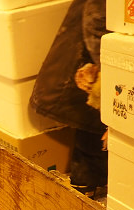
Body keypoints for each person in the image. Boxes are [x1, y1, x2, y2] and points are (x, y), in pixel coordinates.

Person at [29, 0, 108, 199]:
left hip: (91, 75)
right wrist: (112, 70)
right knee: (91, 133)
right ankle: (83, 199)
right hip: (84, 75)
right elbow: (97, 22)